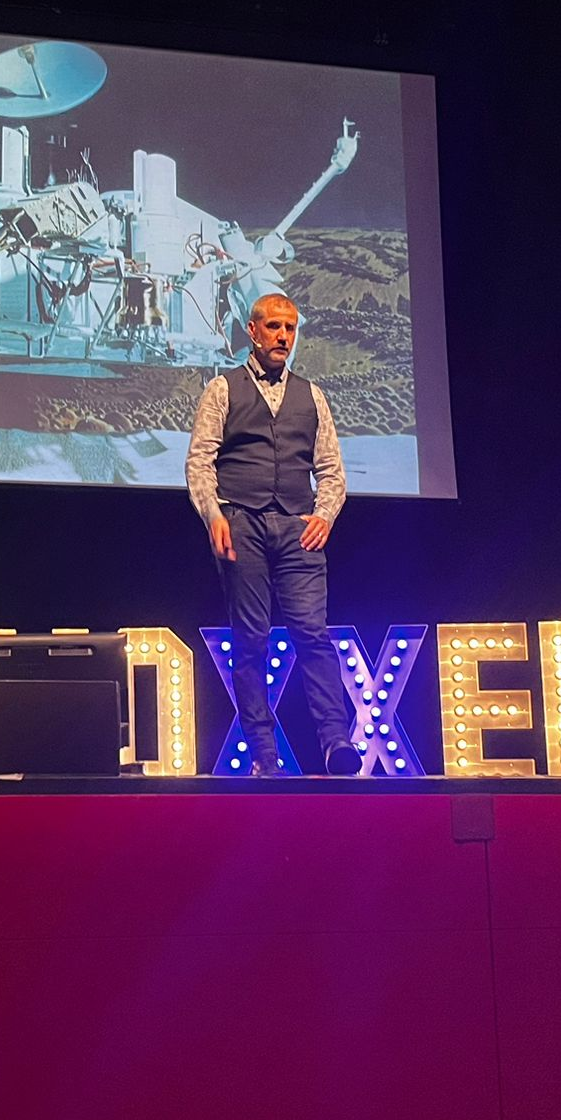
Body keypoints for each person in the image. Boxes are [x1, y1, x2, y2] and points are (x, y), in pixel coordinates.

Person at [185, 293, 360, 777]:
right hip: (243, 523)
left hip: (297, 528)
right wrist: (214, 514)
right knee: (251, 640)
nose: (284, 336)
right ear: (253, 331)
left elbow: (331, 469)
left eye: (291, 328)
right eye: (275, 327)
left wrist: (324, 514)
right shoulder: (223, 389)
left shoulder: (313, 395)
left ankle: (335, 742)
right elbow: (200, 460)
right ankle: (263, 753)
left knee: (313, 633)